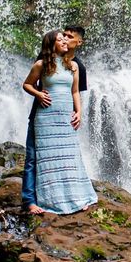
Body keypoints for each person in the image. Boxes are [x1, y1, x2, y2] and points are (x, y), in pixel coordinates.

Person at [21, 29, 97, 214]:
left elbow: (75, 91)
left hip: (64, 118)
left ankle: (76, 197)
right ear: (51, 44)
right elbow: (27, 84)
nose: (64, 41)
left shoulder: (74, 66)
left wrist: (79, 112)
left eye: (67, 38)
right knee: (39, 157)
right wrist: (38, 94)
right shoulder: (41, 64)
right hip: (45, 117)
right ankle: (31, 201)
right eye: (61, 39)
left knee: (69, 155)